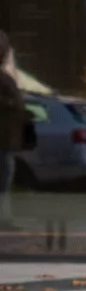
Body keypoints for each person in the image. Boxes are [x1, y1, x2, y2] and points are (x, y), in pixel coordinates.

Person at [0, 31, 27, 226]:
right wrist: (11, 103)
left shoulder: (5, 77)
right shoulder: (3, 79)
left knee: (6, 178)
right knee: (4, 178)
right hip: (3, 139)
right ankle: (5, 218)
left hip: (6, 140)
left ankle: (5, 217)